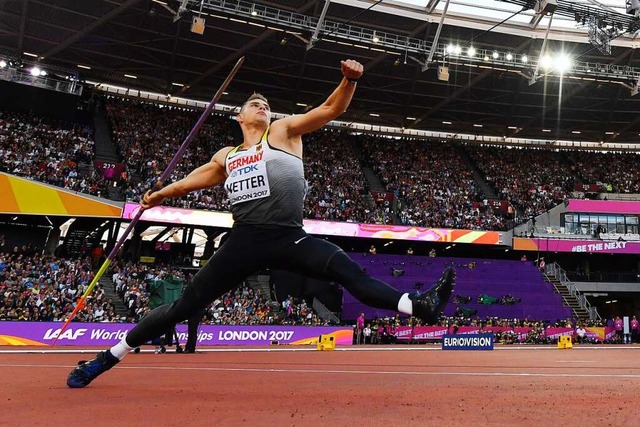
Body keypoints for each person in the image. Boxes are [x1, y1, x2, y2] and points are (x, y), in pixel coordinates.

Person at [66, 59, 455, 388]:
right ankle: (107, 358)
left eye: (266, 103)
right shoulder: (227, 156)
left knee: (344, 267)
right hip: (245, 241)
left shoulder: (283, 131)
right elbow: (189, 181)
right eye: (255, 103)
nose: (263, 105)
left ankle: (417, 306)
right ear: (239, 116)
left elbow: (330, 110)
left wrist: (348, 80)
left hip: (289, 237)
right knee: (184, 305)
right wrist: (158, 195)